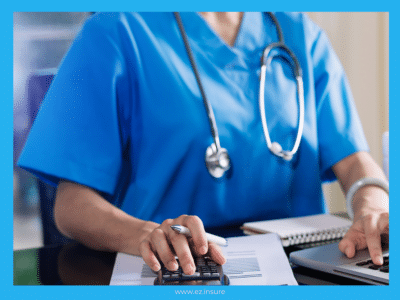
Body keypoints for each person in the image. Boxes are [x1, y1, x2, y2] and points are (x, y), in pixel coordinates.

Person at [18, 12, 389, 276]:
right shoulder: (116, 30)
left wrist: (371, 207)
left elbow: (354, 159)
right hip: (173, 271)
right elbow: (71, 205)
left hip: (299, 271)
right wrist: (145, 235)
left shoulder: (299, 32)